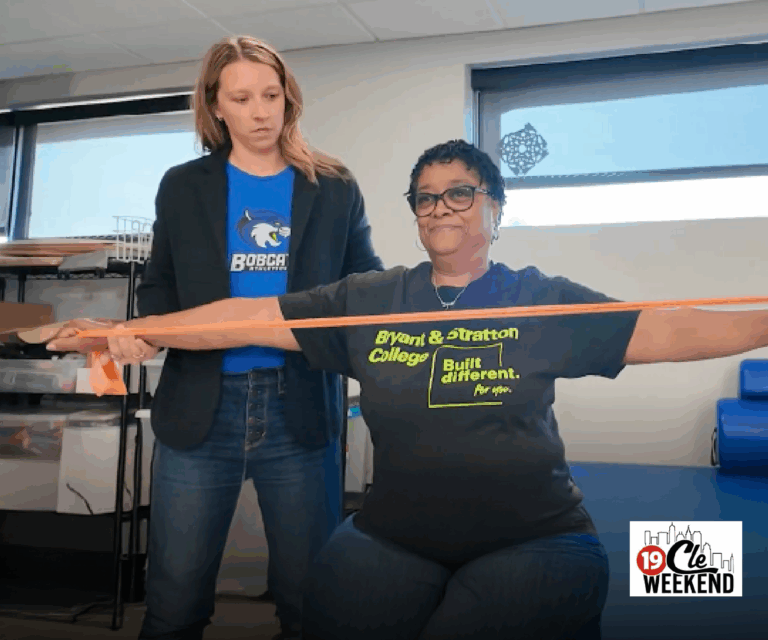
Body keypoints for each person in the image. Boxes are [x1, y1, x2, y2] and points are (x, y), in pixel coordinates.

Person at [49, 140, 768, 640]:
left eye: (460, 192)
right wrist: (141, 327)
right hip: (393, 536)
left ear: (496, 208)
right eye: (424, 197)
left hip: (533, 537)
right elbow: (246, 316)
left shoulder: (539, 300)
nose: (439, 206)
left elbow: (669, 331)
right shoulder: (373, 298)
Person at [96, 35, 383, 640]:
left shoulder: (334, 186)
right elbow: (160, 287)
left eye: (272, 95)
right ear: (215, 106)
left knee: (311, 603)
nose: (260, 112)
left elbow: (366, 285)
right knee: (173, 604)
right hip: (201, 409)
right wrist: (144, 334)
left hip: (301, 407)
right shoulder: (183, 185)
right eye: (243, 98)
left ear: (289, 99)